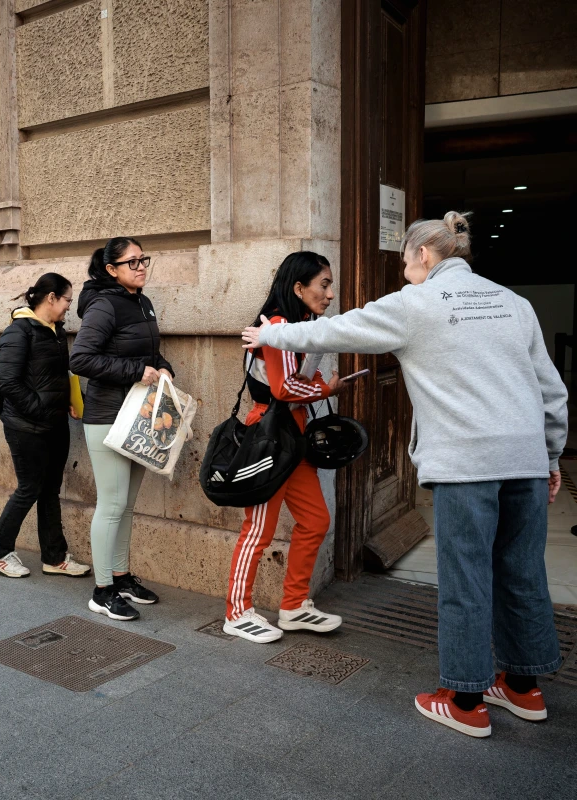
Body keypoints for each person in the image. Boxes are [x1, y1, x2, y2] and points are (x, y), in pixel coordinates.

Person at [243, 211, 568, 738]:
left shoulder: (416, 304)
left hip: (468, 464)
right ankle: (523, 689)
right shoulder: (515, 303)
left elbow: (340, 328)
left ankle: (465, 699)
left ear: (423, 255)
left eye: (403, 261)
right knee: (523, 572)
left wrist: (271, 335)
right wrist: (551, 457)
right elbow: (551, 391)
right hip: (525, 460)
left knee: (465, 580)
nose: (402, 271)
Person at [221, 251, 345, 644]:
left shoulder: (299, 325)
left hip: (292, 436)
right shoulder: (277, 326)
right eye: (323, 284)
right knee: (258, 528)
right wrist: (329, 388)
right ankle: (236, 612)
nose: (329, 293)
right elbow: (284, 388)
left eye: (329, 285)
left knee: (315, 521)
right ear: (298, 287)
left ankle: (293, 607)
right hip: (269, 437)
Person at [70, 236, 171, 621]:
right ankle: (101, 590)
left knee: (126, 506)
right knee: (111, 505)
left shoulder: (142, 302)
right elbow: (81, 358)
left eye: (144, 259)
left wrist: (162, 367)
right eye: (132, 262)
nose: (141, 266)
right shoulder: (103, 305)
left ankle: (122, 576)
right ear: (111, 270)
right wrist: (135, 371)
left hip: (138, 417)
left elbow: (147, 352)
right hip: (108, 417)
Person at [0, 273, 90, 579]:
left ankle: (54, 558)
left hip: (55, 423)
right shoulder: (18, 332)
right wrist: (41, 410)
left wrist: (71, 399)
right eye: (67, 299)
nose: (70, 306)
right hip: (26, 426)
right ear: (51, 298)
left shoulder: (57, 331)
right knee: (29, 488)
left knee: (50, 491)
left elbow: (59, 374)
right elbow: (9, 383)